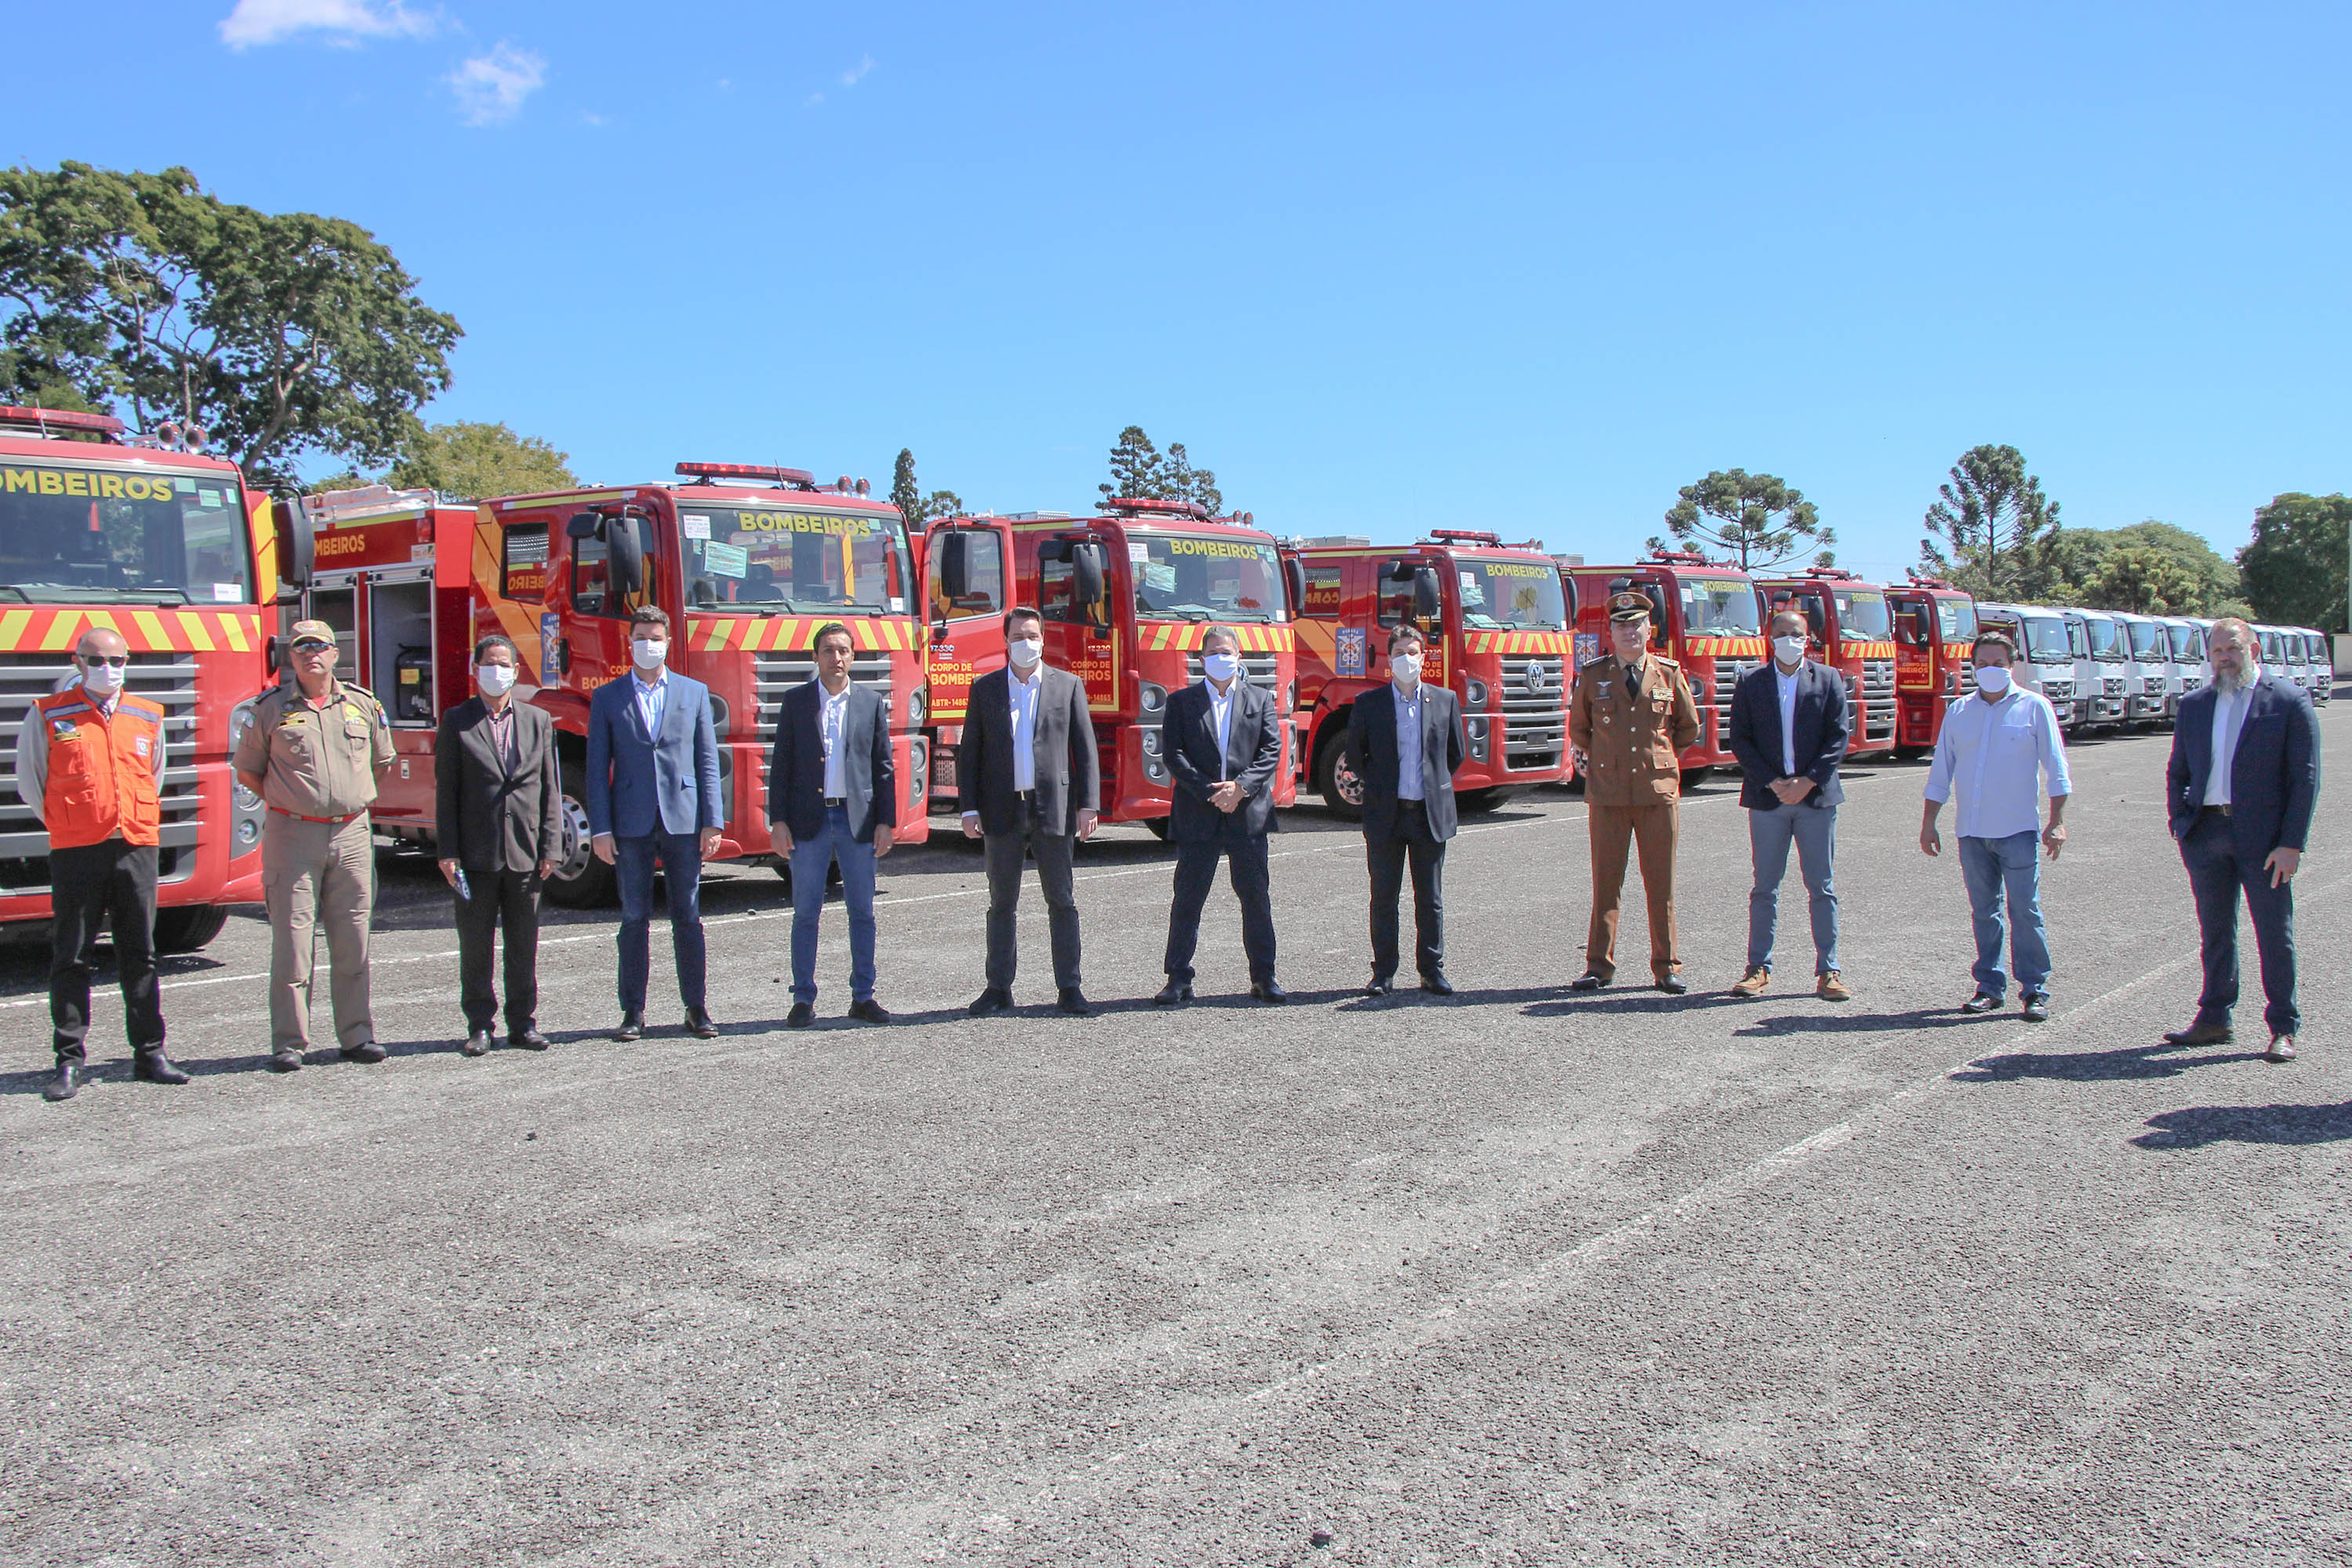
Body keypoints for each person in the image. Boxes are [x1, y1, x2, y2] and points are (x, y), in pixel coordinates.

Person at [17, 627, 183, 1101]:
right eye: (96, 660)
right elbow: (31, 780)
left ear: (127, 662)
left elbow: (154, 775)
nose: (107, 669)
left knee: (140, 952)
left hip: (135, 844)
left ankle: (149, 1053)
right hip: (78, 849)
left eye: (116, 660)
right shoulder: (48, 713)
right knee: (71, 954)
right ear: (78, 662)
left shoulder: (147, 714)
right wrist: (71, 821)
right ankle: (69, 1060)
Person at [233, 619, 396, 1070]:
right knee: (292, 942)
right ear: (291, 657)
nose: (311, 654)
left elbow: (381, 762)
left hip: (351, 834)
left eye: (319, 646)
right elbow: (248, 771)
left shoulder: (362, 704)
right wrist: (292, 803)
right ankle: (290, 1041)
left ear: (334, 653)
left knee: (353, 939)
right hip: (293, 835)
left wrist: (345, 800)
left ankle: (357, 1035)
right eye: (301, 647)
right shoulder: (269, 709)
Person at [2159, 616, 2320, 1062]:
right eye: (2217, 651)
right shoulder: (2196, 704)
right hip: (2206, 833)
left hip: (2265, 841)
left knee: (2274, 932)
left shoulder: (2287, 701)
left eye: (2233, 648)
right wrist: (2181, 822)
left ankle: (2283, 1027)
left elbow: (2305, 779)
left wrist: (2292, 843)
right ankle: (2214, 1018)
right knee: (2215, 931)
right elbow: (2178, 769)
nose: (2225, 658)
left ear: (2254, 650)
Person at [586, 605, 723, 1041]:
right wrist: (600, 829)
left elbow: (707, 760)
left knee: (688, 916)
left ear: (668, 643)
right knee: (634, 918)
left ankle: (696, 1007)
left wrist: (713, 821)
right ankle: (633, 1011)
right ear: (630, 643)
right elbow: (596, 769)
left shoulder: (693, 692)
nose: (649, 644)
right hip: (631, 822)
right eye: (641, 637)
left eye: (656, 638)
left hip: (683, 819)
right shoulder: (608, 698)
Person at [1919, 630, 2071, 1021]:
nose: (1991, 670)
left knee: (2025, 911)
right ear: (1972, 666)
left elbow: (2056, 769)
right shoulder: (1959, 712)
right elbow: (1941, 772)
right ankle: (1989, 986)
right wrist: (1929, 822)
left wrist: (2056, 822)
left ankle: (2035, 990)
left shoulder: (2034, 708)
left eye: (1998, 664)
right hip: (1972, 832)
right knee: (1985, 912)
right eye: (1983, 664)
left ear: (2012, 666)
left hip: (2018, 830)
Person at [959, 607, 1100, 1017]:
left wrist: (1088, 804)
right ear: (1005, 641)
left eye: (1033, 635)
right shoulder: (985, 689)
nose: (1027, 643)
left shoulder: (1067, 685)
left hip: (1053, 808)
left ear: (1043, 639)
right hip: (1001, 810)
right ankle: (998, 988)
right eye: (1019, 636)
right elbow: (971, 754)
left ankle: (1069, 987)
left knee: (1062, 900)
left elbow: (1085, 750)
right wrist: (968, 808)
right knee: (1002, 903)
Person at [435, 635, 563, 1057]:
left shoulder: (537, 720)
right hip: (476, 854)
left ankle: (523, 1023)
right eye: (489, 663)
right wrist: (448, 852)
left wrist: (551, 846)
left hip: (525, 852)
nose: (497, 671)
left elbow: (550, 788)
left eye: (504, 664)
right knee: (476, 946)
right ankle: (479, 1025)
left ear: (515, 671)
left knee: (523, 945)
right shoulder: (457, 721)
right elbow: (447, 792)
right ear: (476, 670)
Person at [1568, 592, 1702, 994]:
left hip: (1656, 793)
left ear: (1649, 630)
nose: (1629, 632)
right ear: (1611, 633)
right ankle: (1598, 966)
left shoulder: (1668, 674)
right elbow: (1580, 729)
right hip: (1608, 794)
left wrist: (1660, 758)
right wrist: (1605, 760)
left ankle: (1666, 966)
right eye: (1621, 625)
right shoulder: (1594, 675)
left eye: (1636, 625)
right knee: (1606, 884)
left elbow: (1688, 727)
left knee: (1661, 885)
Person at [768, 621, 896, 1028]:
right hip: (809, 820)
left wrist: (886, 822)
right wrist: (778, 821)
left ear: (853, 657)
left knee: (862, 912)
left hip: (858, 821)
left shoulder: (870, 703)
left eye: (843, 651)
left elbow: (883, 767)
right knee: (806, 912)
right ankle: (803, 998)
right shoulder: (796, 702)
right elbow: (782, 765)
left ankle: (863, 996)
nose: (836, 658)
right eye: (828, 650)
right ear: (816, 656)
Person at [1155, 625, 1286, 1006]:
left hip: (1247, 814)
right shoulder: (1182, 702)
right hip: (1200, 812)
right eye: (1213, 652)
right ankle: (1178, 978)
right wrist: (1210, 791)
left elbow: (1270, 751)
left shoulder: (1259, 699)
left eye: (1227, 652)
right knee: (1188, 898)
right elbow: (1173, 754)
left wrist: (1240, 788)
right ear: (1202, 659)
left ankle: (1264, 976)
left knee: (1255, 897)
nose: (1220, 658)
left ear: (1239, 657)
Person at [1726, 608, 1851, 1000]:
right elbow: (1740, 738)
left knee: (1821, 886)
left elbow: (1838, 736)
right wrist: (1773, 781)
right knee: (1765, 887)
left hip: (1815, 799)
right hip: (1769, 799)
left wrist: (1808, 781)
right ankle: (1757, 968)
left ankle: (1829, 971)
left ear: (1807, 638)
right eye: (1781, 633)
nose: (1789, 640)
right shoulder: (1751, 681)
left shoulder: (1828, 679)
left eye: (1796, 634)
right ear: (1769, 638)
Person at [1343, 623, 1465, 996]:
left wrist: (1431, 784)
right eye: (1399, 653)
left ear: (1423, 658)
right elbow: (1355, 754)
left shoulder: (1444, 700)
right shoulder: (1369, 704)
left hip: (1428, 814)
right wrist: (1381, 784)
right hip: (1387, 814)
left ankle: (1431, 970)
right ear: (1389, 660)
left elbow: (1455, 755)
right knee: (1384, 898)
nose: (1406, 659)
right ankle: (1383, 972)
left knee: (1430, 899)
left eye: (1413, 653)